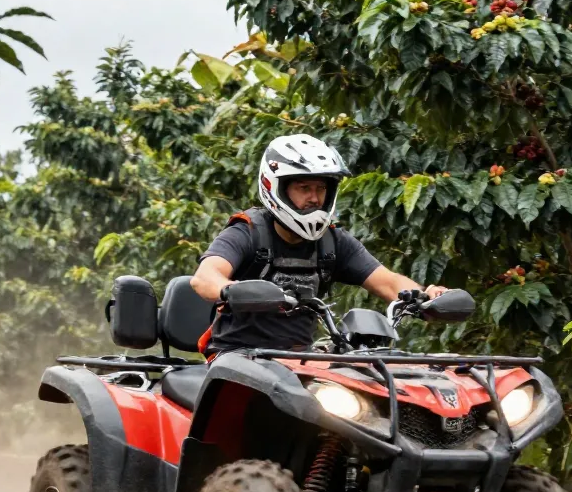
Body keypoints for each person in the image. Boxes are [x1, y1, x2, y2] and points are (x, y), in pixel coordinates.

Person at [191, 134, 446, 356]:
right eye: (304, 188)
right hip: (237, 357)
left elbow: (388, 282)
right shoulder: (248, 232)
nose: (314, 198)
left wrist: (427, 296)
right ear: (276, 187)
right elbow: (204, 278)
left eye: (321, 188)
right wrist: (233, 290)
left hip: (303, 362)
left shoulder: (332, 241)